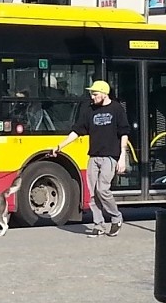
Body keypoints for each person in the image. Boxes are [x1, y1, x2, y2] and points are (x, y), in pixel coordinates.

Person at [50, 80, 129, 237]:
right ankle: (98, 225)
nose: (92, 97)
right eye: (91, 94)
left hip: (110, 156)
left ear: (104, 93)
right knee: (92, 194)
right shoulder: (90, 110)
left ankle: (116, 218)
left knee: (102, 189)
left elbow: (124, 133)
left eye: (95, 94)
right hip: (93, 156)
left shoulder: (116, 109)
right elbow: (77, 131)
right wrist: (60, 146)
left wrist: (122, 157)